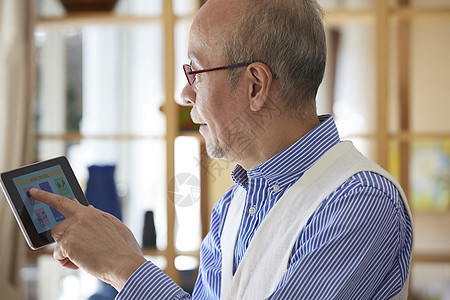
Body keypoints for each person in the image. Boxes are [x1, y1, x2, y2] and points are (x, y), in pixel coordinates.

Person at [30, 0, 414, 299]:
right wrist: (121, 256)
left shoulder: (361, 202)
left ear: (255, 86)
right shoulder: (232, 207)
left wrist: (125, 268)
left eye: (194, 71)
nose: (184, 94)